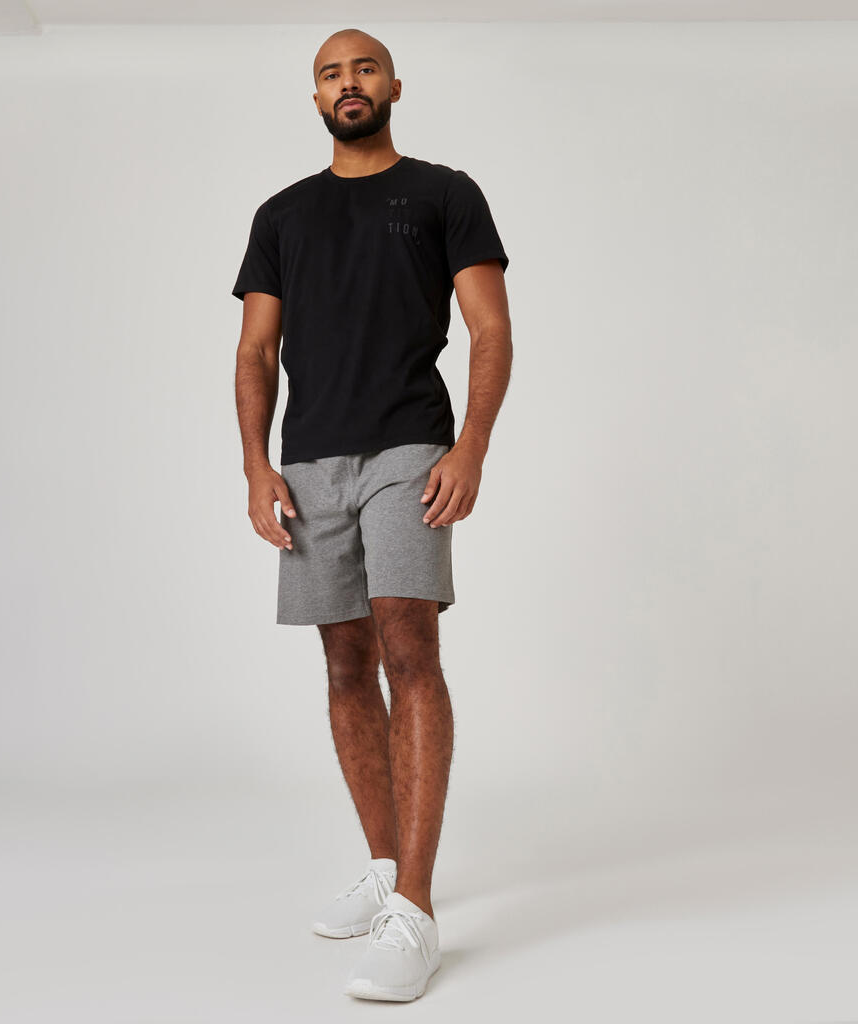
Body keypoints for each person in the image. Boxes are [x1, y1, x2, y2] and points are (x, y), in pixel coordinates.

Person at [231, 27, 511, 1002]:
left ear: (393, 85)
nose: (347, 83)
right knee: (344, 662)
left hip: (408, 448)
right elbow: (255, 350)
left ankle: (417, 912)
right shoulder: (281, 214)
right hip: (309, 460)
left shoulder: (444, 194)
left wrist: (470, 448)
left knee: (407, 649)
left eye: (363, 69)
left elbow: (489, 329)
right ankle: (387, 869)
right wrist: (255, 465)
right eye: (329, 73)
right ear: (315, 97)